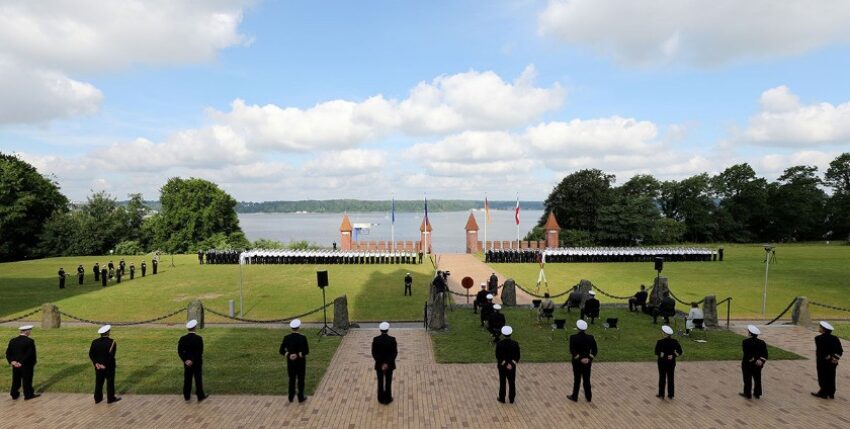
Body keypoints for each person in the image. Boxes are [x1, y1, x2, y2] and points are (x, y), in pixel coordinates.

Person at [6, 325, 39, 400]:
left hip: (15, 364)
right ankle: (28, 394)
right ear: (27, 331)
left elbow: (8, 353)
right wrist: (21, 362)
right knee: (27, 380)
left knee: (16, 379)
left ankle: (14, 394)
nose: (30, 332)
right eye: (30, 331)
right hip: (26, 364)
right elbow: (29, 354)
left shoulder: (13, 340)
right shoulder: (30, 341)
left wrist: (12, 361)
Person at [280, 319, 309, 403]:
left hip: (291, 362)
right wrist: (299, 354)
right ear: (299, 327)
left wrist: (289, 355)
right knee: (301, 379)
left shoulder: (286, 338)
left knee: (291, 379)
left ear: (291, 328)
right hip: (300, 362)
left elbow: (281, 350)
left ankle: (291, 396)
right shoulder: (303, 338)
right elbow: (306, 351)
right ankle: (301, 397)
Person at [89, 325, 120, 404]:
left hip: (98, 366)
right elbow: (111, 356)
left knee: (99, 382)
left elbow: (91, 354)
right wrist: (105, 365)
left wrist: (96, 363)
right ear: (108, 332)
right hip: (109, 366)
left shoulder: (94, 342)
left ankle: (97, 398)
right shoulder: (112, 342)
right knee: (110, 382)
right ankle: (110, 398)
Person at [812, 321, 843, 399]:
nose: (819, 328)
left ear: (823, 329)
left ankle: (823, 393)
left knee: (822, 377)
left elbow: (821, 351)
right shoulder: (835, 338)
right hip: (833, 362)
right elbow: (840, 350)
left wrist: (828, 358)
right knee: (831, 376)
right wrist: (834, 359)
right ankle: (831, 393)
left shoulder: (818, 338)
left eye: (820, 327)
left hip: (822, 362)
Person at [568, 320, 597, 402]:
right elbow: (595, 350)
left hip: (577, 362)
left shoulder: (573, 337)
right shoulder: (590, 337)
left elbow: (572, 350)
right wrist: (589, 359)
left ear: (578, 328)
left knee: (577, 380)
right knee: (587, 380)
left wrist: (580, 358)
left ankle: (575, 397)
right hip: (587, 363)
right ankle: (588, 397)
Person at [178, 320, 207, 402]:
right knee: (198, 378)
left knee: (187, 378)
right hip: (197, 362)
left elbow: (180, 351)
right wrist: (192, 360)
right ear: (195, 328)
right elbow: (199, 352)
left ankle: (186, 396)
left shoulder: (183, 338)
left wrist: (185, 360)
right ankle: (200, 396)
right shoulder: (199, 338)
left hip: (187, 363)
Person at [371, 322, 398, 404]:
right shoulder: (392, 340)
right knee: (388, 381)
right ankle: (388, 398)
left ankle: (380, 398)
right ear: (387, 329)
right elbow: (394, 353)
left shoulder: (376, 339)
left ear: (380, 330)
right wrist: (387, 363)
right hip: (389, 365)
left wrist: (381, 363)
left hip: (379, 365)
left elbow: (374, 353)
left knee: (380, 381)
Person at [655, 325, 682, 400]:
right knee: (671, 378)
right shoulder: (675, 342)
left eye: (663, 332)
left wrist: (662, 355)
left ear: (665, 334)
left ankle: (661, 394)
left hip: (662, 362)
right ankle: (671, 394)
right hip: (671, 362)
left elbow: (656, 352)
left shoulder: (660, 342)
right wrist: (673, 356)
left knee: (662, 378)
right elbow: (680, 352)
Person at [741, 325, 767, 399]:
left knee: (747, 379)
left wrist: (753, 360)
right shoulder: (762, 342)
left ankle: (747, 394)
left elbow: (746, 354)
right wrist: (760, 361)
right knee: (757, 379)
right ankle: (757, 393)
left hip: (747, 364)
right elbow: (765, 354)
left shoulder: (745, 342)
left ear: (750, 333)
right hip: (758, 364)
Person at [495, 326, 520, 404]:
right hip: (511, 367)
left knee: (502, 382)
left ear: (503, 334)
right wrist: (511, 364)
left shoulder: (499, 344)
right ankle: (511, 399)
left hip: (502, 367)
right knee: (512, 382)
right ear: (511, 334)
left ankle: (502, 398)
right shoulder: (515, 344)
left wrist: (505, 364)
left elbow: (498, 356)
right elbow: (517, 356)